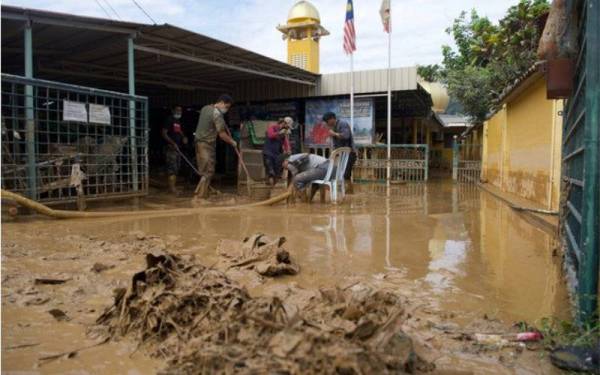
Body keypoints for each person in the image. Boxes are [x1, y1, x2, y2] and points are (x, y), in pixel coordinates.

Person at [194, 94, 237, 199]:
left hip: (198, 143)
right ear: (221, 102)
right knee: (208, 171)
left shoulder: (205, 108)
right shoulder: (217, 114)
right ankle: (200, 197)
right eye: (226, 107)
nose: (226, 109)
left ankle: (202, 194)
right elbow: (222, 134)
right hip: (207, 144)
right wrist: (232, 142)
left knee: (204, 170)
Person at [322, 112, 357, 191]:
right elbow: (335, 143)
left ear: (332, 119)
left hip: (349, 153)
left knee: (346, 173)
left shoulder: (342, 123)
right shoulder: (333, 127)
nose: (327, 123)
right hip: (341, 154)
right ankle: (347, 191)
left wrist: (334, 134)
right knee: (341, 172)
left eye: (327, 121)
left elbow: (346, 136)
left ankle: (350, 191)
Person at [161, 105, 188, 194]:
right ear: (172, 110)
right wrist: (172, 143)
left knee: (176, 168)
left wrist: (184, 137)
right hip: (170, 148)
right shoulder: (169, 119)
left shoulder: (177, 121)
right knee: (172, 168)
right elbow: (164, 133)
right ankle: (172, 189)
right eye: (177, 110)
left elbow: (178, 131)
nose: (179, 112)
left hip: (177, 148)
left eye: (180, 110)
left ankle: (172, 187)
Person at [263, 118, 291, 186]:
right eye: (286, 127)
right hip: (268, 152)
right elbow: (270, 135)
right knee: (270, 170)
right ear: (282, 124)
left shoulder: (283, 134)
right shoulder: (272, 128)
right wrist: (279, 133)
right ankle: (268, 183)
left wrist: (288, 150)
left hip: (276, 154)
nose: (286, 129)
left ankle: (274, 183)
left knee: (276, 172)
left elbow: (286, 143)